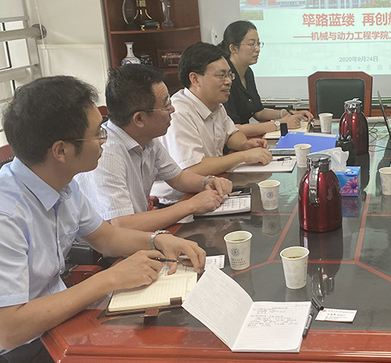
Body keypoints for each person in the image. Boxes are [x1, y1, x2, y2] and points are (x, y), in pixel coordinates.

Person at [0, 76, 204, 363]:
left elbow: (106, 238)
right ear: (61, 150)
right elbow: (9, 330)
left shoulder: (62, 185)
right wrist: (110, 279)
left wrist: (158, 240)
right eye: (97, 133)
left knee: (169, 362)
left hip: (51, 329)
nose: (105, 139)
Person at [76, 65, 235, 232]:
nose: (172, 109)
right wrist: (191, 205)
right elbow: (123, 225)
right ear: (139, 119)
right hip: (115, 243)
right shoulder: (106, 154)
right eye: (166, 106)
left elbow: (178, 178)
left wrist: (207, 182)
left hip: (139, 232)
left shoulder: (147, 138)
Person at [152, 41, 272, 204]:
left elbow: (231, 133)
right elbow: (193, 169)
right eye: (221, 75)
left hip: (210, 189)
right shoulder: (179, 113)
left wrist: (244, 145)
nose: (228, 81)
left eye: (229, 75)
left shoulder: (215, 104)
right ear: (195, 79)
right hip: (177, 201)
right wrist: (243, 156)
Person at [221, 20, 313, 135]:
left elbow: (258, 112)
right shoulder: (224, 78)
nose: (257, 49)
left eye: (258, 43)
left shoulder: (247, 72)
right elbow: (232, 129)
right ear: (233, 48)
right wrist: (279, 124)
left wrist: (288, 114)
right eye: (251, 44)